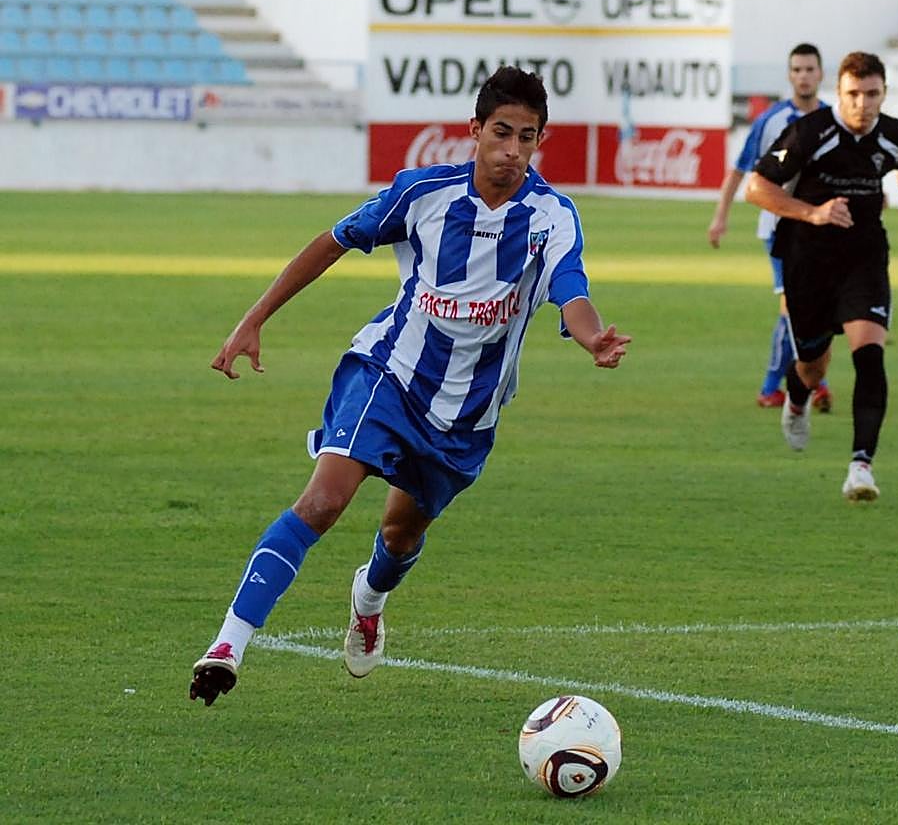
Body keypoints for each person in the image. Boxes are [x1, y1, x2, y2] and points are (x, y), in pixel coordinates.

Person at [189, 66, 631, 706]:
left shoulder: (551, 217)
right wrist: (255, 318)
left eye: (526, 137)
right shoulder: (422, 193)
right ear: (475, 130)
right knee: (321, 503)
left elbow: (572, 290)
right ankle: (227, 644)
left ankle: (368, 598)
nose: (511, 149)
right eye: (501, 132)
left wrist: (591, 337)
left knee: (400, 535)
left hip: (466, 414)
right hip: (389, 375)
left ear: (539, 141)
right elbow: (334, 240)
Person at [745, 51, 898, 501]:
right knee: (812, 362)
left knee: (870, 356)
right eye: (853, 94)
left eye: (872, 94)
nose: (862, 104)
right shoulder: (810, 133)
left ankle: (860, 467)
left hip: (864, 260)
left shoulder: (895, 134)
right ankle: (798, 399)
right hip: (808, 262)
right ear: (838, 92)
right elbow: (757, 187)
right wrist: (815, 212)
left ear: (884, 93)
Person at [708, 43, 833, 413]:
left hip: (821, 228)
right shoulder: (772, 120)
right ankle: (774, 386)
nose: (804, 76)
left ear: (821, 74)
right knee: (792, 306)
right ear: (789, 75)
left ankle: (813, 379)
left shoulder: (833, 119)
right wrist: (721, 217)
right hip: (780, 227)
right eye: (797, 70)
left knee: (817, 308)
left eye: (810, 69)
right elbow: (741, 169)